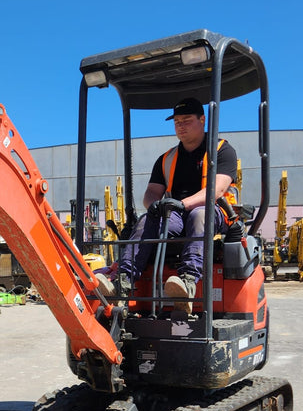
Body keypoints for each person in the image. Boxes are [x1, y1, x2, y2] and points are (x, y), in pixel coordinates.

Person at [98, 97, 239, 312]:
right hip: (176, 214)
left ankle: (188, 282)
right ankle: (123, 282)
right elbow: (152, 192)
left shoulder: (222, 151)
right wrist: (154, 205)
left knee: (199, 215)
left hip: (216, 213)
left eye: (186, 120)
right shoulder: (167, 158)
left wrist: (180, 204)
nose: (180, 126)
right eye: (177, 122)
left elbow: (216, 191)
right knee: (148, 219)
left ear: (202, 120)